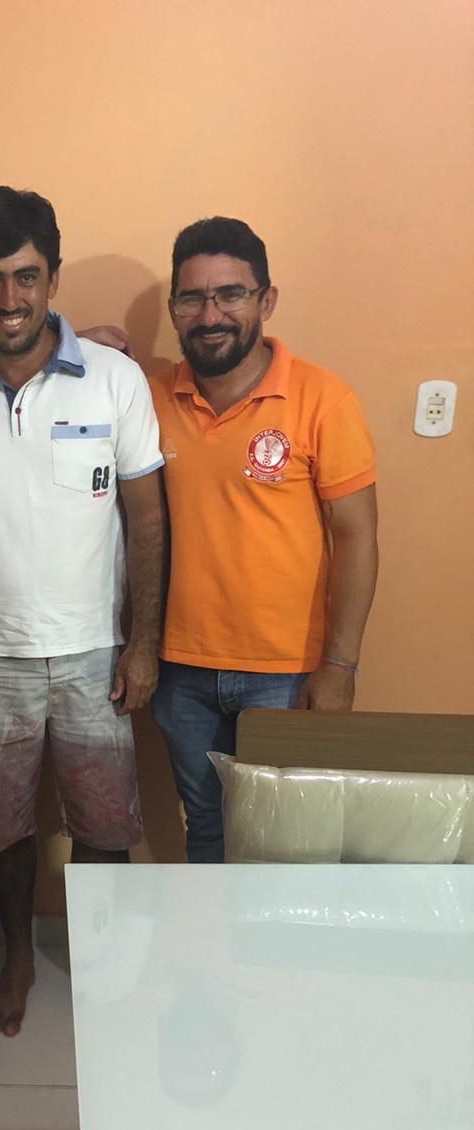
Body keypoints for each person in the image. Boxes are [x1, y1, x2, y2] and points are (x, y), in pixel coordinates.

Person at [0, 187, 166, 1036]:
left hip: (97, 647)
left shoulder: (115, 378)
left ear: (53, 278)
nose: (10, 298)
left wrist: (143, 643)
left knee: (105, 820)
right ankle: (20, 955)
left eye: (26, 277)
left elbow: (147, 518)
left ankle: (99, 958)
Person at [149, 216, 379, 863]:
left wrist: (340, 667)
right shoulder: (151, 396)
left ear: (266, 300)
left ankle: (279, 939)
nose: (210, 314)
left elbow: (357, 536)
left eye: (231, 294)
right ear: (174, 308)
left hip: (288, 673)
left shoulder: (322, 399)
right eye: (193, 298)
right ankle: (217, 936)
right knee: (206, 827)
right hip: (181, 669)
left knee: (286, 842)